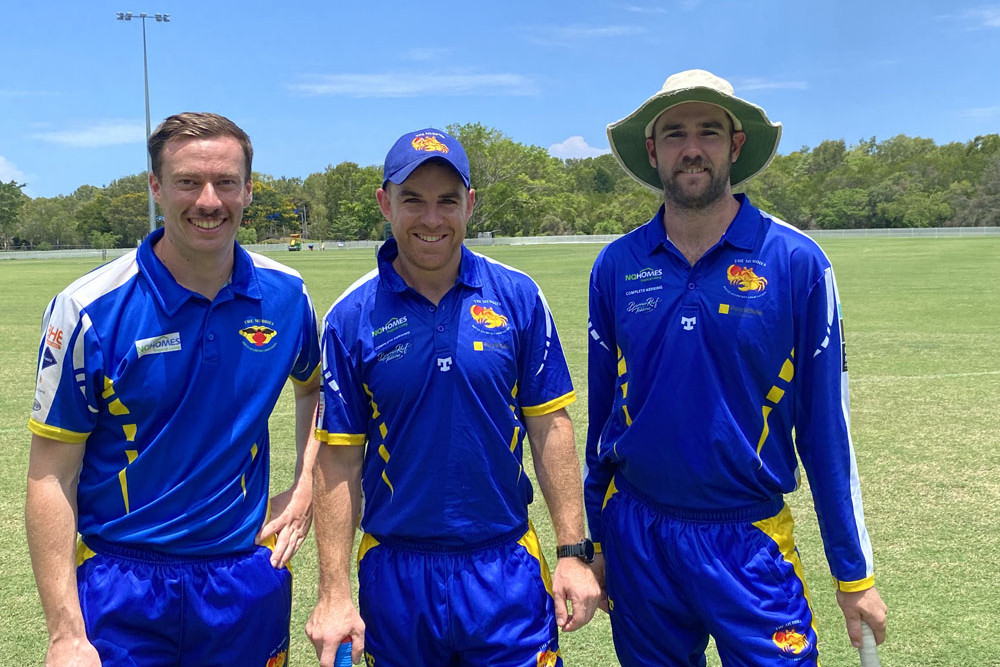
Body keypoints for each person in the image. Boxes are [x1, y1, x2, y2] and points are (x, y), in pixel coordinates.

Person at [585, 70, 888, 666]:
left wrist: (854, 576)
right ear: (652, 151)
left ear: (735, 145)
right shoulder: (616, 266)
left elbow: (827, 431)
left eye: (708, 132)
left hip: (749, 540)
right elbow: (603, 426)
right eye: (674, 134)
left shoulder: (798, 261)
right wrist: (596, 541)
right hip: (639, 536)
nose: (691, 148)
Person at [25, 112, 322, 666]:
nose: (208, 201)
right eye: (188, 182)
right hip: (121, 585)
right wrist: (65, 633)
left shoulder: (287, 296)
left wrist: (304, 484)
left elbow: (316, 388)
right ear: (157, 188)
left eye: (226, 183)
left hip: (242, 579)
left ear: (249, 191)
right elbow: (50, 475)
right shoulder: (89, 310)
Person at [306, 128, 601, 667]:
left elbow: (550, 427)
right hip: (396, 570)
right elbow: (339, 458)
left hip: (505, 565)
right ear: (384, 204)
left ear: (469, 204)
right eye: (412, 200)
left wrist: (573, 552)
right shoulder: (350, 317)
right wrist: (333, 591)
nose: (432, 219)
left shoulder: (518, 296)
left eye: (447, 201)